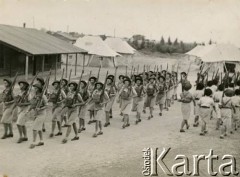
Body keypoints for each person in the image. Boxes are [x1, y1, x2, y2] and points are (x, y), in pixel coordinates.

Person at [29, 83, 48, 149]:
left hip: (42, 114)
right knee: (39, 128)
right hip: (36, 113)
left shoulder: (43, 96)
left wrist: (40, 108)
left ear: (39, 89)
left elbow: (46, 105)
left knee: (34, 128)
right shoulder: (35, 95)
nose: (35, 89)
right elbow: (32, 103)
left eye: (36, 88)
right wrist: (29, 109)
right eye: (35, 88)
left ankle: (33, 142)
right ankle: (41, 141)